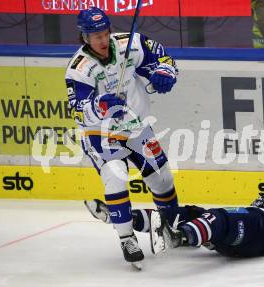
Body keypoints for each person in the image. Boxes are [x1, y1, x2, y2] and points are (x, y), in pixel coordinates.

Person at [64, 7, 179, 269]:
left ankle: (172, 227)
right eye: (96, 37)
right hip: (100, 134)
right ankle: (127, 238)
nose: (103, 41)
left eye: (105, 33)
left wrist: (163, 74)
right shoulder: (78, 69)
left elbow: (164, 59)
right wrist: (99, 105)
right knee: (115, 175)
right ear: (84, 37)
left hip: (136, 127)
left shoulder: (131, 43)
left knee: (162, 178)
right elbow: (78, 111)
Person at [150, 148, 264, 263]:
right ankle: (137, 219)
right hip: (252, 232)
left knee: (218, 217)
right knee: (193, 213)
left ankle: (179, 237)